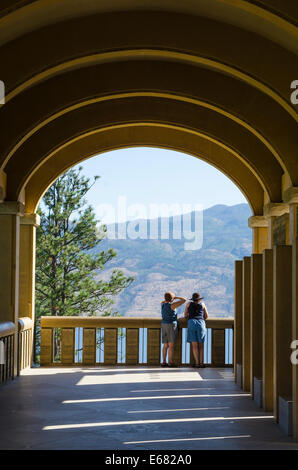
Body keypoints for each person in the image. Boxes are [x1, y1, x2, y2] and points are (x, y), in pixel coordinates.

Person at [161, 292, 186, 367]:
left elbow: (163, 301)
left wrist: (170, 298)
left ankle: (164, 362)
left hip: (164, 325)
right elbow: (184, 300)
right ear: (172, 299)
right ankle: (170, 362)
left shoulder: (162, 305)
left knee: (165, 345)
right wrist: (176, 297)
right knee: (171, 345)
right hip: (171, 325)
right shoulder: (172, 305)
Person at [184, 292, 208, 368]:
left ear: (192, 299)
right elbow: (206, 316)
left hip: (191, 323)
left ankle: (197, 363)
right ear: (199, 299)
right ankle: (201, 363)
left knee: (194, 345)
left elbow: (185, 315)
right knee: (201, 345)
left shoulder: (188, 304)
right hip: (201, 323)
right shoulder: (202, 304)